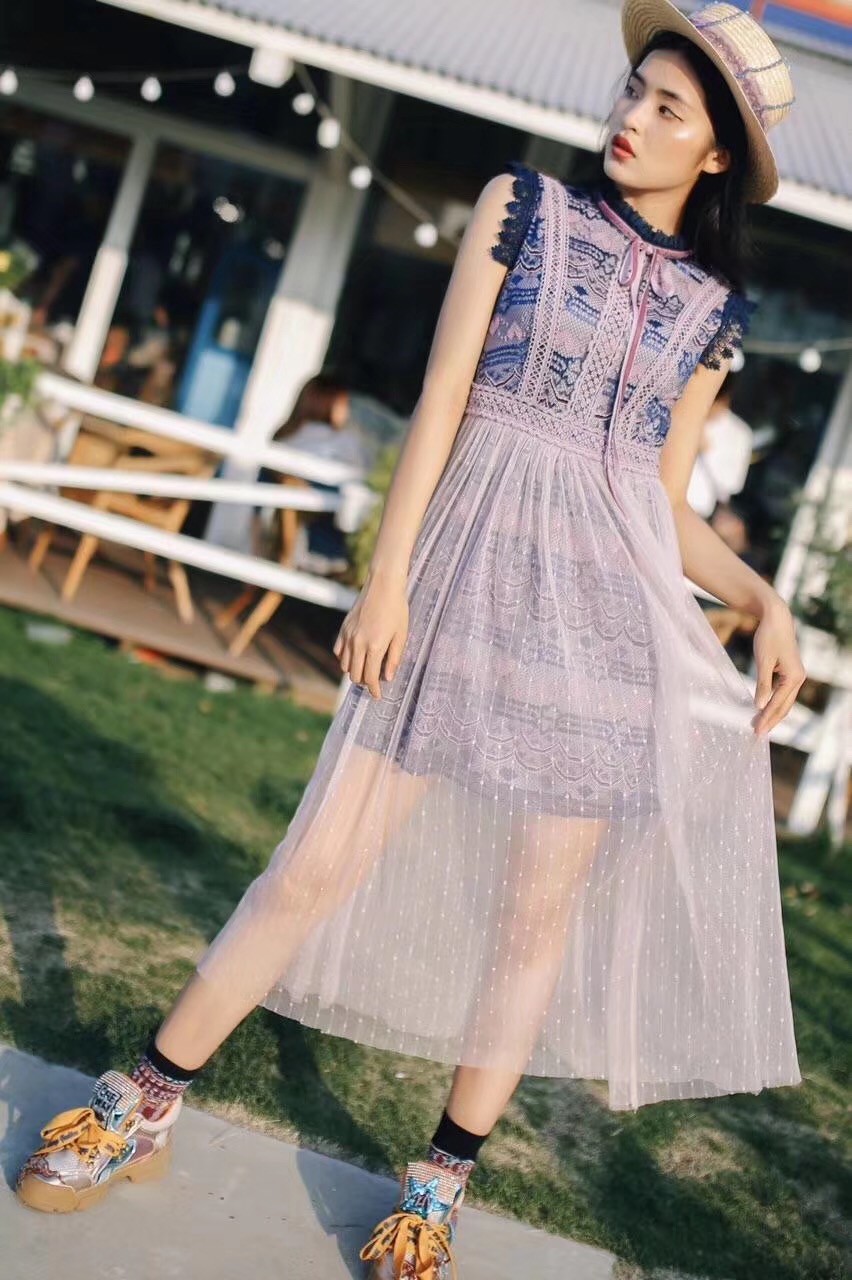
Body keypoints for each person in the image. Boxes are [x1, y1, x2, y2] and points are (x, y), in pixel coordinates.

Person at [15, 3, 806, 1276]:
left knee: (534, 920)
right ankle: (144, 1101)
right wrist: (387, 581)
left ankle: (437, 1185)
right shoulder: (522, 209)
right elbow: (442, 398)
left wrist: (763, 596)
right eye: (634, 89)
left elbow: (663, 506)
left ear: (714, 155)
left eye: (667, 108)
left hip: (601, 631)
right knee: (318, 861)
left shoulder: (712, 310)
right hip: (458, 581)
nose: (631, 116)